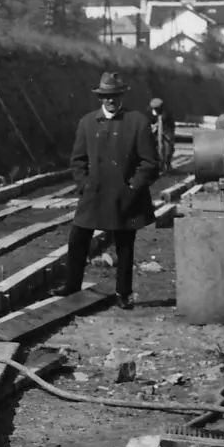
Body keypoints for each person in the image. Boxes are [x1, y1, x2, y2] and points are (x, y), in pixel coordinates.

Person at [66, 71, 162, 307]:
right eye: (106, 96)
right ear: (100, 97)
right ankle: (71, 286)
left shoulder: (137, 122)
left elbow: (150, 163)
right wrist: (85, 185)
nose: (110, 100)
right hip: (94, 193)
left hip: (125, 195)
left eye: (115, 95)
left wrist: (133, 186)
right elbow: (77, 161)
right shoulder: (87, 123)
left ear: (122, 96)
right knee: (78, 238)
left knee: (125, 244)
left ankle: (123, 293)